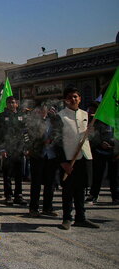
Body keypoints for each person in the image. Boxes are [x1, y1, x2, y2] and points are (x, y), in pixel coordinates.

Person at [56, 87, 99, 230]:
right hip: (69, 159)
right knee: (68, 190)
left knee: (81, 189)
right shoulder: (60, 116)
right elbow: (56, 141)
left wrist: (92, 133)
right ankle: (67, 218)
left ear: (80, 98)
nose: (73, 99)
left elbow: (90, 138)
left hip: (83, 156)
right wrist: (63, 162)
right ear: (65, 100)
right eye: (70, 97)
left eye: (76, 96)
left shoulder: (86, 115)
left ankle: (81, 217)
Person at [0, 96, 27, 206]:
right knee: (7, 174)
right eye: (9, 103)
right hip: (7, 149)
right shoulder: (1, 117)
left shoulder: (22, 116)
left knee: (19, 174)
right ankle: (8, 195)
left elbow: (25, 133)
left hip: (19, 149)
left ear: (17, 104)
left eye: (13, 102)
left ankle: (18, 195)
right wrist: (2, 149)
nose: (11, 105)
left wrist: (26, 147)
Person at [87, 101, 118, 204]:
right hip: (99, 151)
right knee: (97, 174)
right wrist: (100, 144)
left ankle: (116, 196)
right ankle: (94, 194)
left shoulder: (114, 120)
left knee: (114, 176)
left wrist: (113, 145)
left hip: (113, 152)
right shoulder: (95, 121)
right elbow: (92, 136)